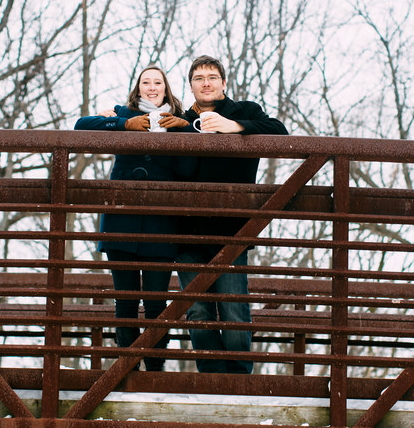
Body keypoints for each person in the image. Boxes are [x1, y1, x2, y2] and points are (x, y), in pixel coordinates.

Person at [74, 65, 191, 371]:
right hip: (121, 220)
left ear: (166, 88)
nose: (152, 87)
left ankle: (155, 369)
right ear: (138, 88)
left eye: (158, 82)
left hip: (162, 222)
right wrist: (124, 125)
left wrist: (183, 128)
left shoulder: (181, 121)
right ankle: (126, 370)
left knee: (155, 303)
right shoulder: (122, 115)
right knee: (124, 300)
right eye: (146, 82)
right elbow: (81, 126)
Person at [177, 55, 288, 374]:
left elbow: (280, 133)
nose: (206, 82)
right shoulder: (182, 122)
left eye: (212, 76)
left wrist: (232, 127)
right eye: (199, 78)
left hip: (232, 230)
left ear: (223, 83)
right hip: (185, 231)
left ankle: (239, 381)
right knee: (197, 312)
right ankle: (212, 379)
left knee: (233, 309)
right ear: (192, 86)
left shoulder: (245, 111)